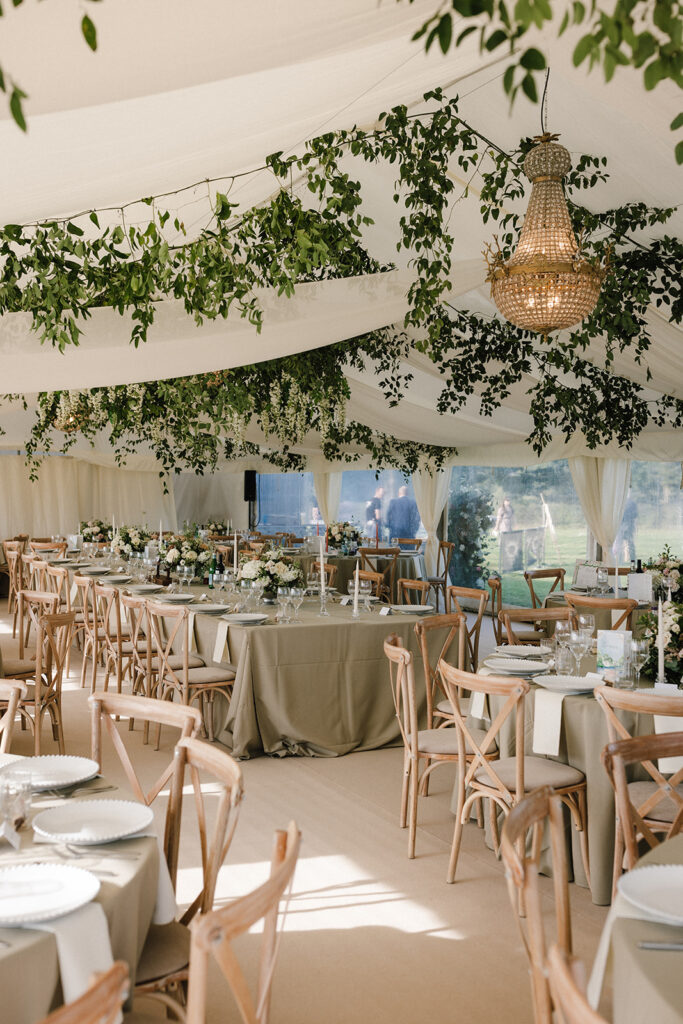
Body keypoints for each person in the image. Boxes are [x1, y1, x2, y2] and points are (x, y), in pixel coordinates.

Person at [613, 492, 638, 563]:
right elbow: (635, 515)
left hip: (624, 526)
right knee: (628, 544)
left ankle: (621, 560)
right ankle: (631, 560)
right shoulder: (631, 503)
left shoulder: (619, 503)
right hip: (626, 526)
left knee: (621, 543)